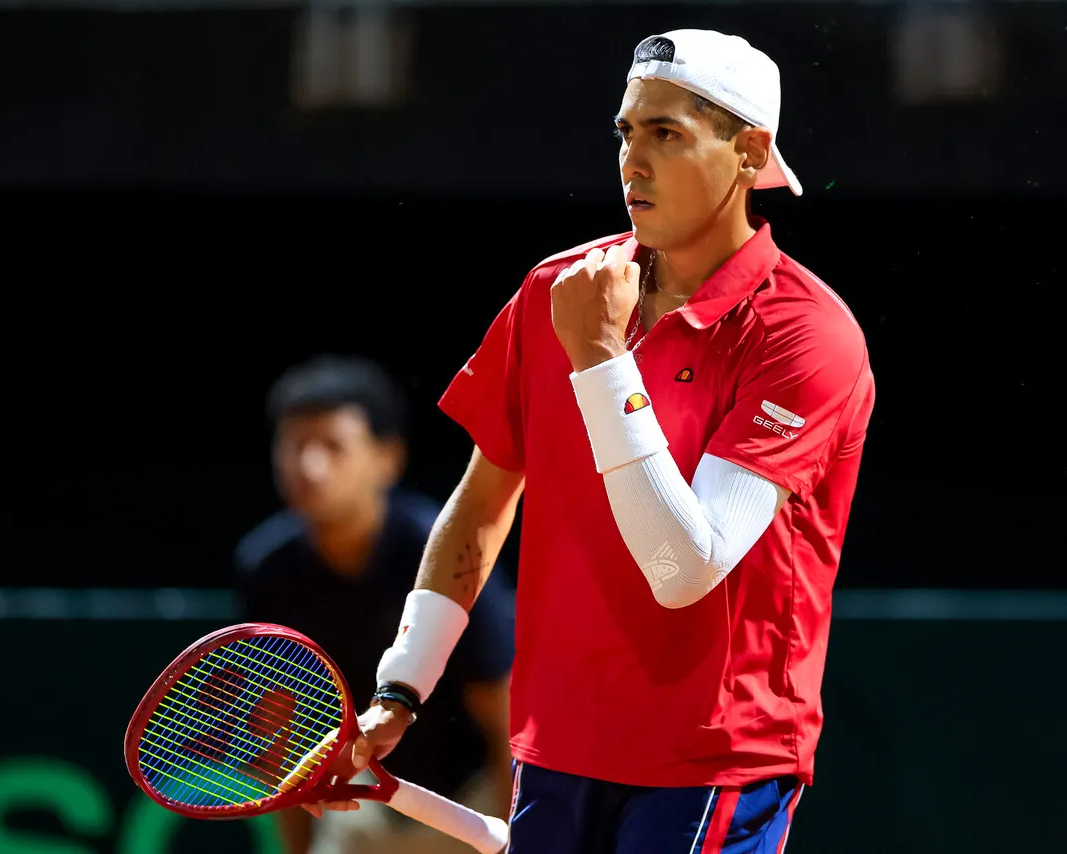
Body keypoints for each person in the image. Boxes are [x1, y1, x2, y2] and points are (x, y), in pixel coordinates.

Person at [309, 29, 876, 852]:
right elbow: (480, 508)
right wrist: (400, 689)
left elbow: (685, 570)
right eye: (626, 132)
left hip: (713, 762)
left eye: (667, 134)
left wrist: (601, 360)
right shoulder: (556, 291)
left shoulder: (806, 336)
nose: (632, 161)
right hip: (556, 748)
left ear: (749, 151)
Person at [234, 355, 515, 854]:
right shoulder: (268, 570)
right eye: (295, 445)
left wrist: (524, 835)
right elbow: (277, 733)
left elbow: (504, 715)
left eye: (332, 446)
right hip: (365, 802)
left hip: (473, 799)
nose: (309, 467)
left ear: (387, 457)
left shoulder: (435, 550)